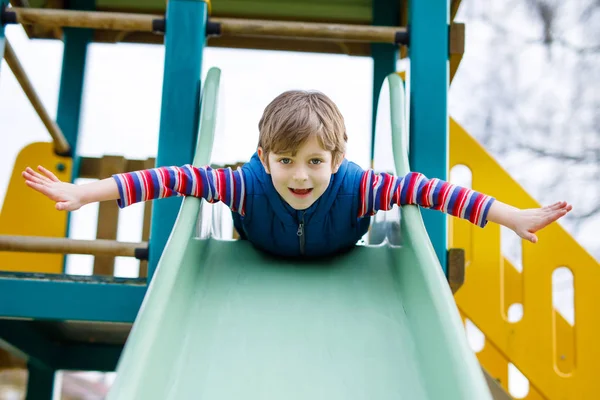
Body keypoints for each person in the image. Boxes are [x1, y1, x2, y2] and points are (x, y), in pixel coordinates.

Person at [22, 90, 572, 258]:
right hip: (260, 242)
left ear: (337, 159)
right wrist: (85, 191)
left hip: (340, 250)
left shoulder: (361, 187)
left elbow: (436, 193)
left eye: (315, 162)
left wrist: (511, 216)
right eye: (286, 161)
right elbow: (168, 179)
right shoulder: (245, 184)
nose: (300, 176)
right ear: (264, 157)